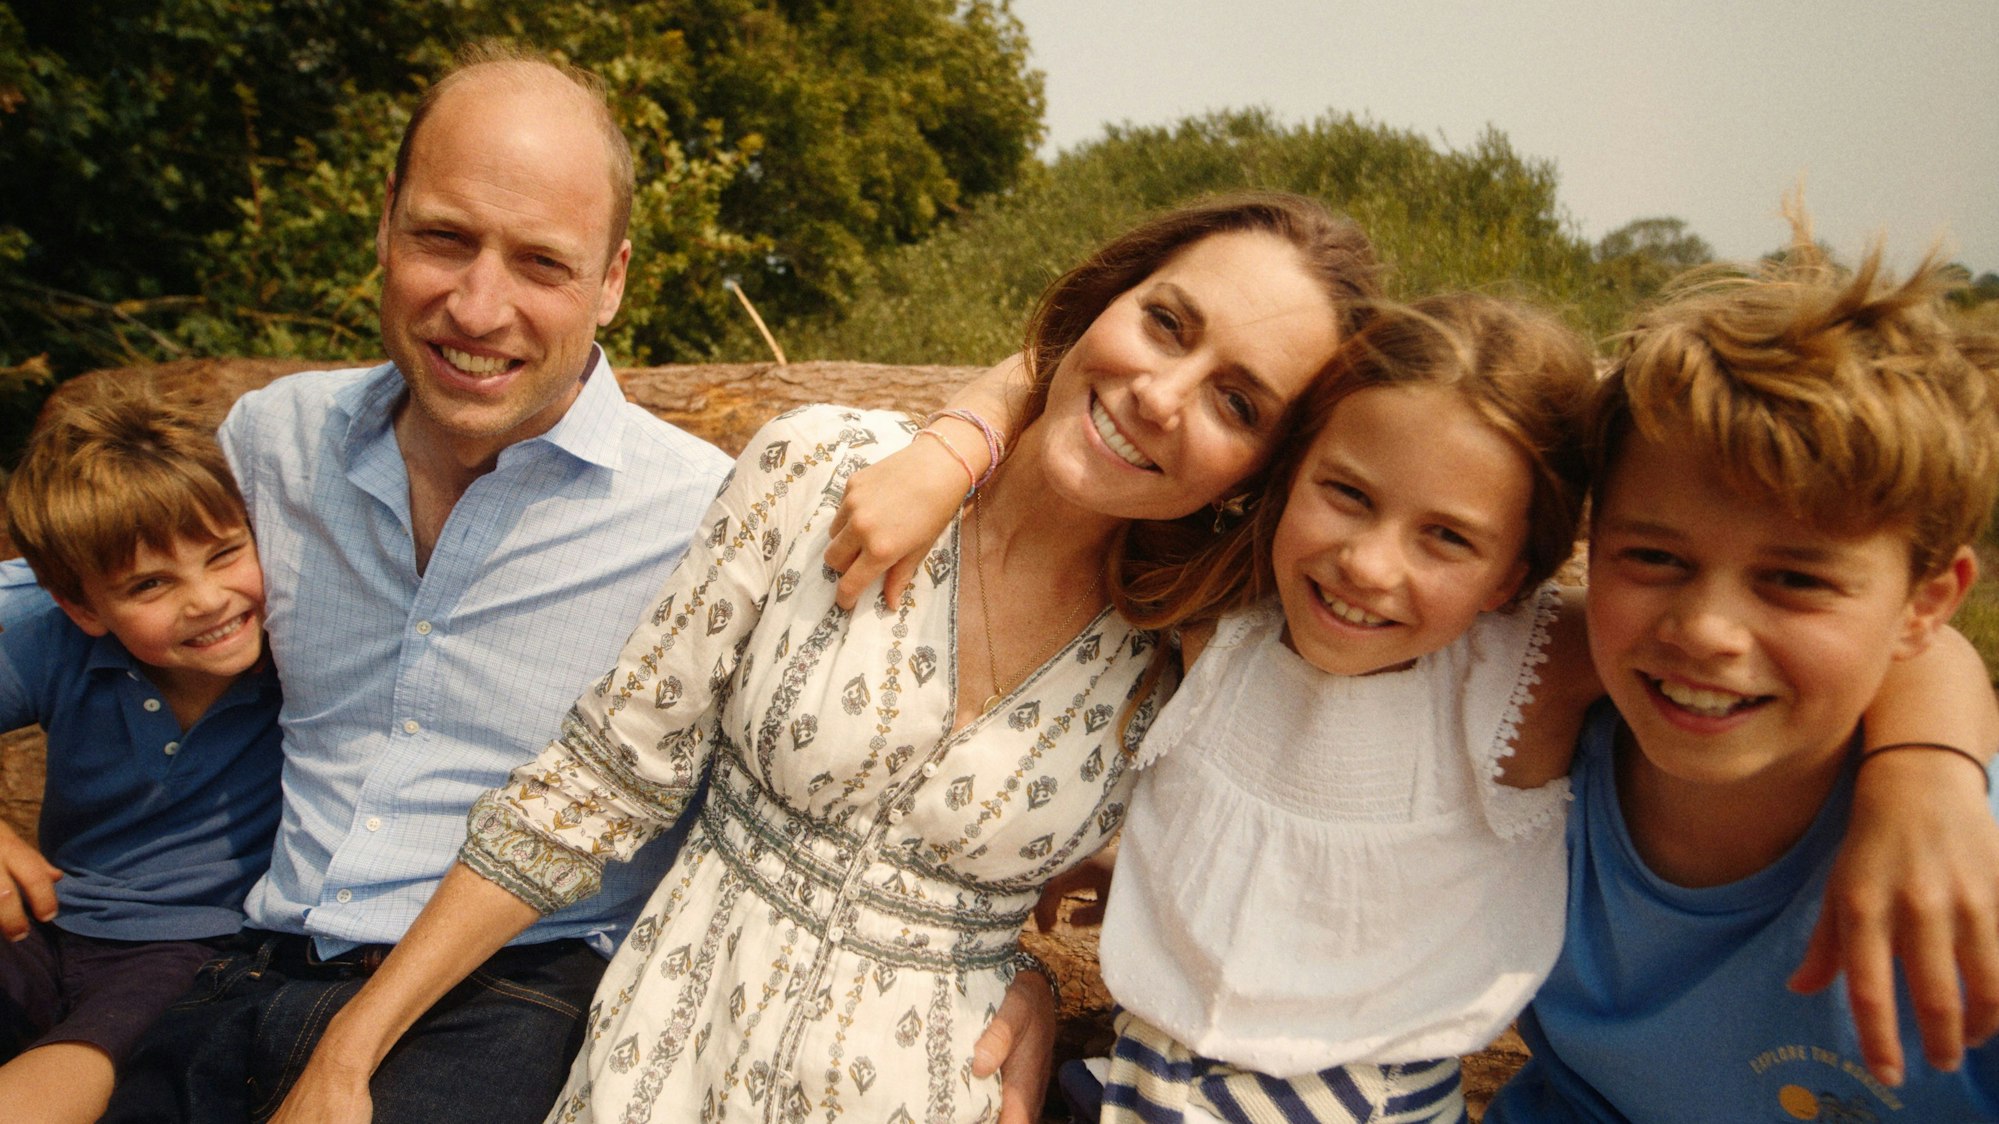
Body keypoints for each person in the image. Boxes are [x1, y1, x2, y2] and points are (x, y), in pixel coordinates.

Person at [263, 191, 1384, 1123]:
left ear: (1258, 468)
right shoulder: (824, 468)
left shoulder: (1189, 654)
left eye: (1238, 401)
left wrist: (1030, 974)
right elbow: (599, 781)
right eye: (1166, 323)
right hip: (663, 1063)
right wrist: (351, 1047)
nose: (1160, 393)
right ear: (1104, 301)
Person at [99, 44, 733, 1123]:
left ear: (613, 279)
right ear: (386, 222)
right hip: (245, 970)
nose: (477, 309)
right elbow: (52, 603)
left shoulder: (706, 518)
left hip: (517, 998)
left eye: (541, 263)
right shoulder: (274, 444)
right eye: (444, 238)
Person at [1483, 222, 1999, 1120]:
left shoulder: (1966, 880)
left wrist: (1933, 773)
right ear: (1590, 545)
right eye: (1652, 557)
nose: (1706, 630)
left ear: (1925, 602)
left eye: (1794, 579)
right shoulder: (1531, 735)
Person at [0, 373, 283, 1124]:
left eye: (225, 554)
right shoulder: (49, 642)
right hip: (48, 915)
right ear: (84, 606)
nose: (206, 599)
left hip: (196, 942)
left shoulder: (302, 653)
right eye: (151, 584)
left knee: (94, 1053)